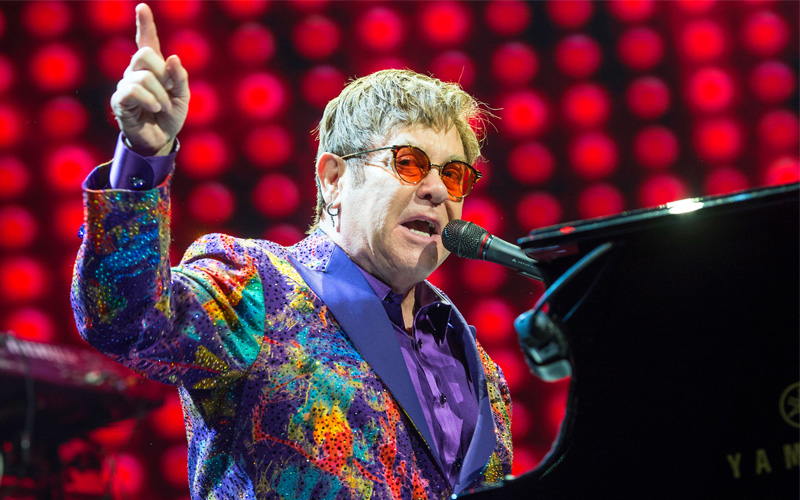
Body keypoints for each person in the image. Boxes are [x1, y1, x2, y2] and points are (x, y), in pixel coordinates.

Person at [70, 4, 513, 499]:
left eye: (453, 175)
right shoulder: (258, 286)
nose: (436, 189)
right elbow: (128, 318)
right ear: (334, 179)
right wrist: (142, 159)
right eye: (409, 163)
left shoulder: (478, 365)